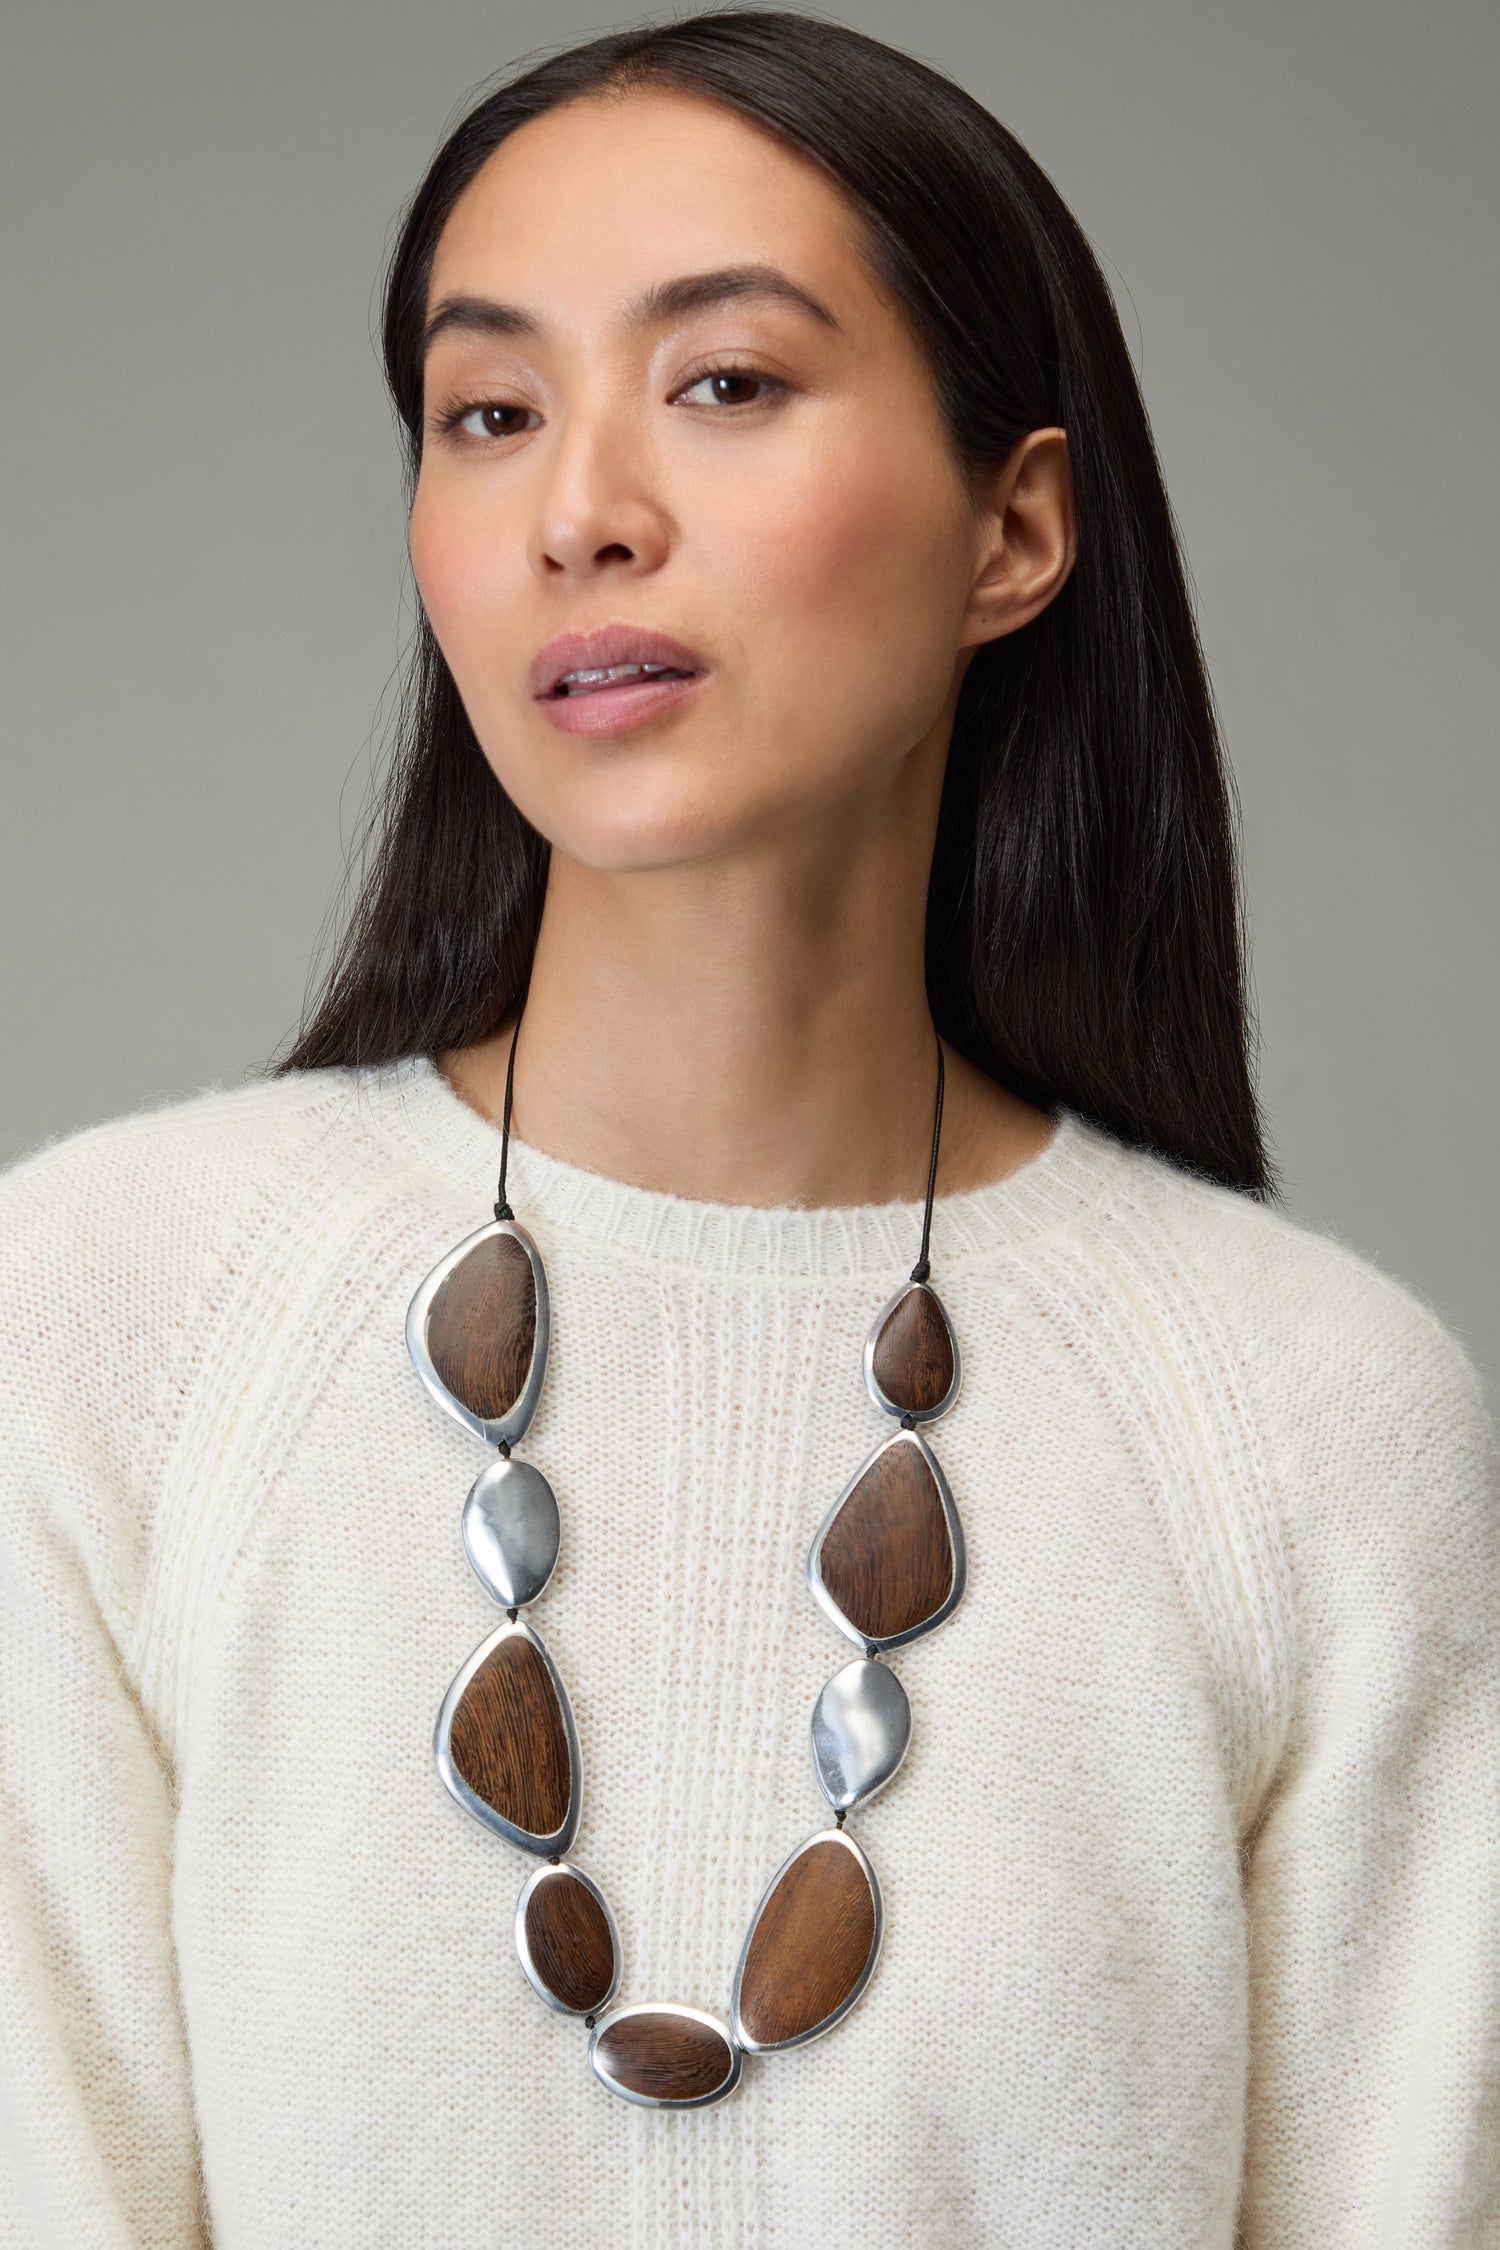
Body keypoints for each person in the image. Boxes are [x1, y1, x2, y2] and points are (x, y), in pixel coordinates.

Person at [2, 11, 1495, 2245]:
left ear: (1014, 529)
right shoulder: (106, 1321)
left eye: (722, 382)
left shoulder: (1314, 1427)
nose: (582, 513)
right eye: (490, 412)